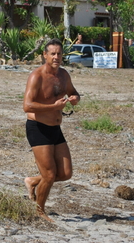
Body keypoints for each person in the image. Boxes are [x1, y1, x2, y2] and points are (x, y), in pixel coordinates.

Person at [22, 39, 81, 221]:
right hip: (38, 128)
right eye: (52, 54)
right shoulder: (36, 76)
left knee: (65, 173)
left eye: (59, 53)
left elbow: (74, 93)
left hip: (56, 128)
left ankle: (32, 181)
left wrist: (74, 99)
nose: (56, 57)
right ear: (45, 55)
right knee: (49, 174)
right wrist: (52, 106)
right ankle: (40, 212)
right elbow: (27, 105)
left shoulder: (63, 75)